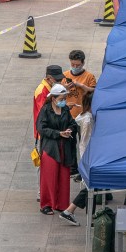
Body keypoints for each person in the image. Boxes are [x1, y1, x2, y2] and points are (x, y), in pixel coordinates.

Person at [36, 84, 77, 215]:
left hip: (64, 147)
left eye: (64, 98)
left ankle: (61, 204)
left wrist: (70, 129)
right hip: (50, 148)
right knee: (49, 176)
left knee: (64, 176)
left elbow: (72, 122)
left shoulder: (65, 109)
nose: (63, 100)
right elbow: (41, 128)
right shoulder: (46, 110)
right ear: (53, 98)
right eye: (61, 98)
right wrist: (58, 133)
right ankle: (46, 204)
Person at [58, 92, 94, 226]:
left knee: (91, 187)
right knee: (91, 187)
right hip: (88, 156)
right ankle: (70, 210)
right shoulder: (88, 119)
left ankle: (74, 212)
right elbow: (85, 140)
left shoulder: (83, 115)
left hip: (86, 155)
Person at [61, 50, 97, 121]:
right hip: (67, 114)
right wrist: (64, 88)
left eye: (78, 65)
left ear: (83, 63)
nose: (75, 67)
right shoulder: (64, 75)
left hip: (82, 114)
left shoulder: (89, 76)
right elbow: (57, 95)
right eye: (72, 64)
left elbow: (94, 91)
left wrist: (81, 85)